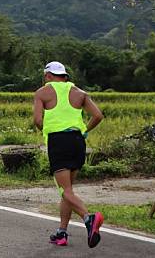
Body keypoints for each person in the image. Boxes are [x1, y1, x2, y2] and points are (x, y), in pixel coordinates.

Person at [33, 61, 104, 248]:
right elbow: (98, 115)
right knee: (68, 190)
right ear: (64, 75)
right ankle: (62, 233)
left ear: (48, 75)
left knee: (65, 190)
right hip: (78, 142)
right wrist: (85, 131)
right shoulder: (80, 93)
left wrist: (47, 130)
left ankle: (89, 218)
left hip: (59, 142)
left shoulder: (42, 92)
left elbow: (37, 120)